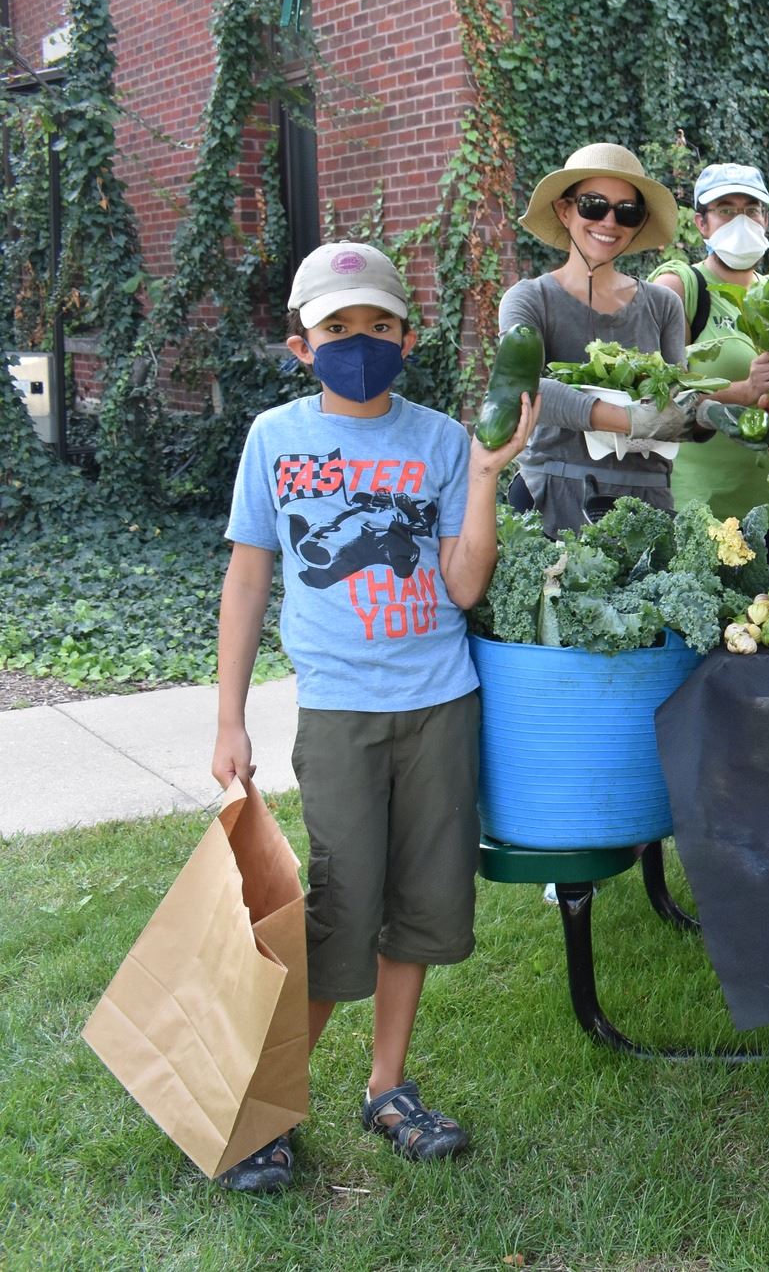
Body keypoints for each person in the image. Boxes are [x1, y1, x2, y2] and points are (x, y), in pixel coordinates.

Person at [210, 242, 540, 1192]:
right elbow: (246, 579)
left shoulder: (441, 439)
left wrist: (483, 476)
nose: (361, 342)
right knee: (338, 911)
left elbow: (464, 583)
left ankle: (386, 1087)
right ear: (300, 343)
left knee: (422, 906)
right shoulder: (275, 438)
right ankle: (265, 1110)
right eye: (338, 328)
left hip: (441, 705)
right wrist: (228, 716)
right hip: (344, 713)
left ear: (408, 334)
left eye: (379, 325)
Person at [503, 143, 769, 535]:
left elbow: (674, 400)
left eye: (627, 211)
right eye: (593, 205)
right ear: (564, 210)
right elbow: (520, 389)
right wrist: (629, 419)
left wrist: (710, 415)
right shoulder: (530, 299)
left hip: (647, 500)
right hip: (555, 493)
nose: (609, 222)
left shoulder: (662, 304)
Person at [651, 163, 769, 570]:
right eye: (725, 210)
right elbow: (656, 398)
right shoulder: (680, 288)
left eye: (752, 209)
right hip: (704, 513)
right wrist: (743, 391)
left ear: (766, 219)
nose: (742, 220)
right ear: (701, 223)